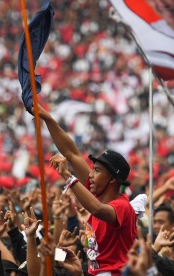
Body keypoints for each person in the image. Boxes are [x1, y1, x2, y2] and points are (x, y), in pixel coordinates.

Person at [37, 103, 137, 275]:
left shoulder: (122, 207)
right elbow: (72, 153)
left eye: (97, 171)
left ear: (112, 178)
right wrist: (47, 118)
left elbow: (96, 209)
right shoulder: (96, 195)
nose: (90, 175)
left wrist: (68, 176)